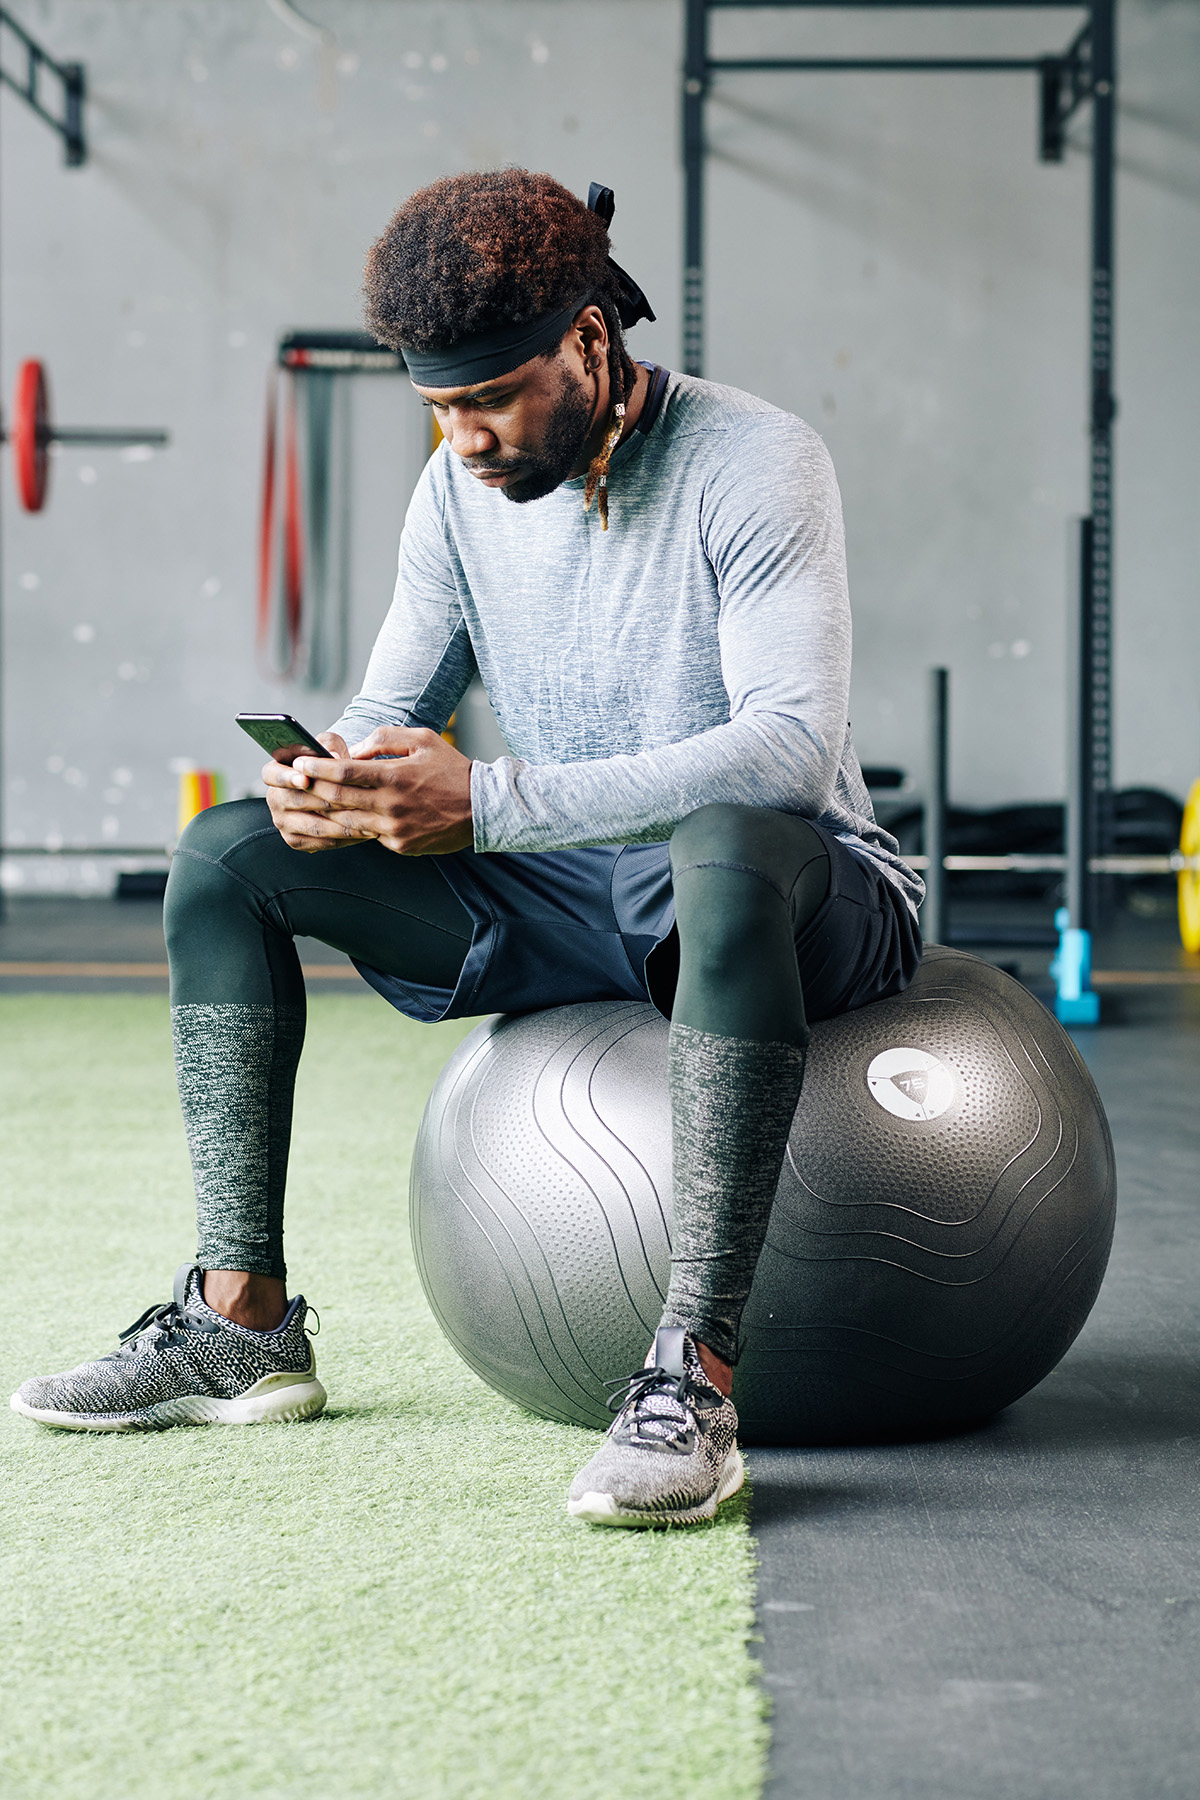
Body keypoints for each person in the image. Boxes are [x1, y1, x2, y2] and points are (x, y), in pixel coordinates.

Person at [12, 169, 922, 1527]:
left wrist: (485, 804)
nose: (469, 437)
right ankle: (240, 1316)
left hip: (792, 891)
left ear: (592, 346)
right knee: (224, 854)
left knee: (725, 846)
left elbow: (786, 751)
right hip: (578, 893)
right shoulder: (456, 488)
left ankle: (693, 1379)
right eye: (442, 407)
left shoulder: (756, 458)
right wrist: (340, 783)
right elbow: (395, 706)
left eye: (494, 398)